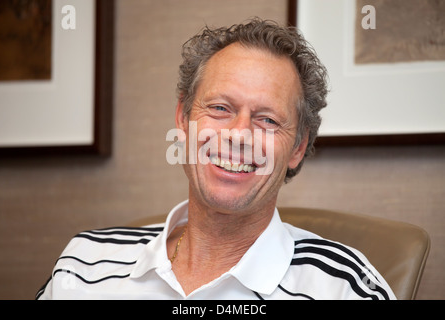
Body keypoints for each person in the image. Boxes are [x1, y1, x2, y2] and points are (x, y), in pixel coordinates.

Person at [36, 18, 396, 300]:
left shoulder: (347, 289)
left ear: (298, 147)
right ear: (182, 119)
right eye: (220, 108)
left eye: (267, 120)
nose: (238, 135)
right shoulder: (82, 264)